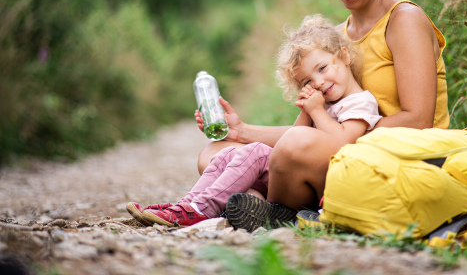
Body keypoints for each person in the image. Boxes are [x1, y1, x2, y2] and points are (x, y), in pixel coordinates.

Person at [201, 0, 450, 230]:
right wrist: (242, 132)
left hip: (399, 158)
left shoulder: (403, 21)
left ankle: (270, 207)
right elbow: (303, 133)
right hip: (343, 151)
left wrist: (341, 136)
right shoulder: (336, 41)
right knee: (215, 155)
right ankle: (271, 206)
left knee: (291, 149)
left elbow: (419, 120)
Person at [126, 15, 382, 228]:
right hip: (297, 178)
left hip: (323, 187)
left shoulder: (361, 102)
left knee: (258, 154)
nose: (318, 82)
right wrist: (308, 111)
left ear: (344, 57)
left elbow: (344, 143)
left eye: (322, 68)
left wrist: (316, 111)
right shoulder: (322, 101)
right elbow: (291, 142)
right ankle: (187, 205)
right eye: (307, 81)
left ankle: (203, 209)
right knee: (228, 157)